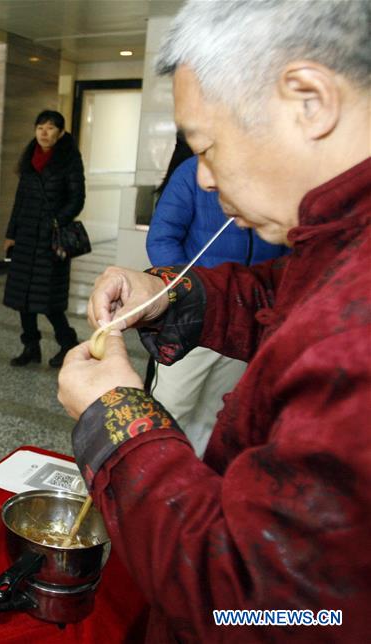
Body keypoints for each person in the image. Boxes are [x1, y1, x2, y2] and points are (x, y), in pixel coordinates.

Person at [57, 0, 370, 641]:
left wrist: (116, 416)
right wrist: (166, 292)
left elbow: (253, 605)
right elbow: (283, 300)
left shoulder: (356, 333)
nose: (201, 177)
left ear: (308, 101)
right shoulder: (341, 243)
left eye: (207, 147)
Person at [146, 155, 289, 457]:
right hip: (195, 314)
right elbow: (162, 237)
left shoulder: (276, 172)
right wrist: (187, 292)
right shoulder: (194, 173)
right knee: (172, 405)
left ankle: (195, 480)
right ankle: (152, 476)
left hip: (249, 319)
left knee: (218, 408)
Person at [3, 110, 85, 368]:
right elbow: (20, 199)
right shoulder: (30, 157)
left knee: (49, 300)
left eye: (50, 128)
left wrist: (56, 221)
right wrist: (10, 233)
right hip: (26, 236)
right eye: (40, 127)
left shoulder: (69, 159)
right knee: (23, 299)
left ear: (60, 133)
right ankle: (31, 346)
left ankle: (68, 343)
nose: (44, 133)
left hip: (51, 239)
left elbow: (77, 198)